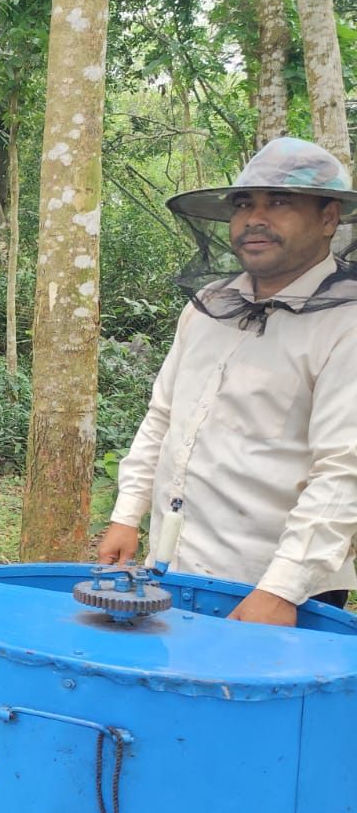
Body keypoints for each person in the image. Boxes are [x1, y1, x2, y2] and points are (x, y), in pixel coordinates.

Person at [98, 137, 357, 624]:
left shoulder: (347, 324)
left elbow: (346, 469)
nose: (255, 218)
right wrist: (127, 514)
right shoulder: (209, 307)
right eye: (244, 204)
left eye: (279, 202)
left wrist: (280, 590)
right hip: (174, 568)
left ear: (328, 218)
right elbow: (164, 418)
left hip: (276, 588)